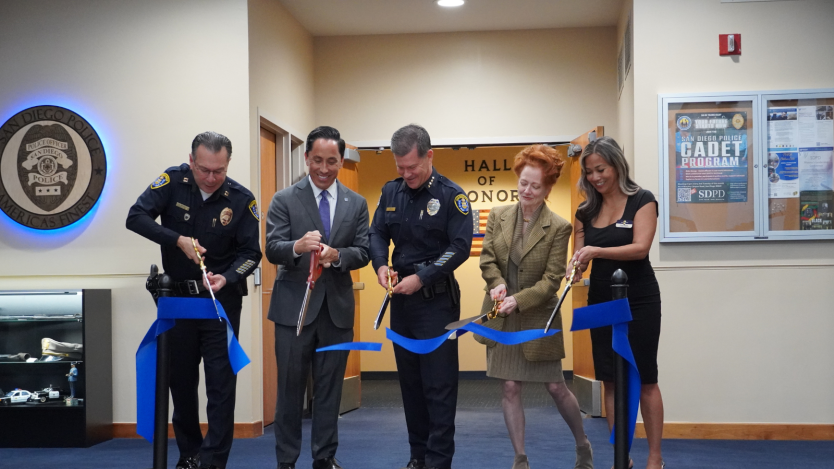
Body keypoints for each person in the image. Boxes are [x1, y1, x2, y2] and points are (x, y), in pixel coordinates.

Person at [126, 131, 262, 469]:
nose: (212, 178)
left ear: (227, 164)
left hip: (220, 305)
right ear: (191, 161)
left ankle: (213, 461)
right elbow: (135, 217)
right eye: (204, 170)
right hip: (178, 304)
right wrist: (177, 241)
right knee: (181, 384)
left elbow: (252, 254)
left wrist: (227, 277)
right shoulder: (172, 182)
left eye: (219, 170)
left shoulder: (241, 199)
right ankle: (189, 454)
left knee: (220, 387)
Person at [475, 145, 593, 469]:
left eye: (535, 186)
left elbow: (552, 280)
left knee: (556, 386)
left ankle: (583, 444)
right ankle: (520, 459)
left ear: (548, 188)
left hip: (538, 316)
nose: (526, 191)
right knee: (510, 386)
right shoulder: (498, 216)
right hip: (501, 315)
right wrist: (496, 283)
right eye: (522, 183)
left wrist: (518, 299)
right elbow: (487, 259)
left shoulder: (558, 227)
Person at [264, 126, 370, 469]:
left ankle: (324, 456)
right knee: (290, 389)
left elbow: (364, 251)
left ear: (341, 161)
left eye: (332, 161)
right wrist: (298, 246)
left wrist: (337, 256)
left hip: (337, 311)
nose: (324, 169)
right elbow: (272, 249)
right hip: (293, 310)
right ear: (306, 157)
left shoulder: (357, 203)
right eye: (318, 160)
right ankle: (286, 460)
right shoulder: (284, 199)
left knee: (329, 389)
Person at [368, 124, 473, 469]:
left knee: (438, 388)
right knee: (411, 385)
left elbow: (459, 248)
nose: (406, 174)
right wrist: (381, 265)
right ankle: (418, 456)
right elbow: (377, 233)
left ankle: (439, 461)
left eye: (412, 167)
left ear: (430, 156)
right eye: (400, 168)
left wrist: (422, 277)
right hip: (402, 304)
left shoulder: (450, 196)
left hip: (437, 303)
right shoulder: (391, 192)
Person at [568, 136, 664, 469]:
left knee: (646, 377)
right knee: (610, 378)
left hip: (639, 298)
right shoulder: (584, 211)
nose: (595, 177)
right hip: (601, 301)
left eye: (601, 169)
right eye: (590, 172)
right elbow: (577, 260)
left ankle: (655, 457)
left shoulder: (643, 200)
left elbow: (640, 248)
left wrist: (597, 251)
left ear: (617, 166)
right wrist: (576, 265)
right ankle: (621, 456)